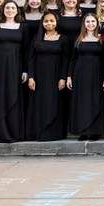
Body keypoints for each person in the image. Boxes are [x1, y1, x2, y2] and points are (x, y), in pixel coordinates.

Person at [0, 1, 28, 144]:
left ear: (17, 11)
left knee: (13, 95)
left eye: (13, 8)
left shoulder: (23, 27)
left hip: (16, 66)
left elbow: (26, 51)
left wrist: (26, 70)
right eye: (7, 8)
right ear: (3, 10)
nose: (10, 10)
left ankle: (14, 132)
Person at [26, 12, 70, 140]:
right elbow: (31, 59)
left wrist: (63, 78)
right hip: (39, 77)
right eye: (46, 21)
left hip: (55, 76)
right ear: (42, 23)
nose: (49, 23)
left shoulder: (63, 38)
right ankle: (39, 133)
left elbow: (65, 60)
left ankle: (54, 133)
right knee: (39, 104)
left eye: (52, 21)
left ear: (56, 22)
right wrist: (31, 77)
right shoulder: (36, 37)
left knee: (54, 103)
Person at [68, 14, 104, 141]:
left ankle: (95, 131)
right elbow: (73, 59)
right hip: (80, 74)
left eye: (93, 21)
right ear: (84, 24)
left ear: (97, 23)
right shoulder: (79, 38)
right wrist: (69, 76)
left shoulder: (102, 38)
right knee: (82, 102)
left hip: (97, 73)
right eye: (88, 21)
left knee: (95, 100)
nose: (90, 24)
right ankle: (83, 131)